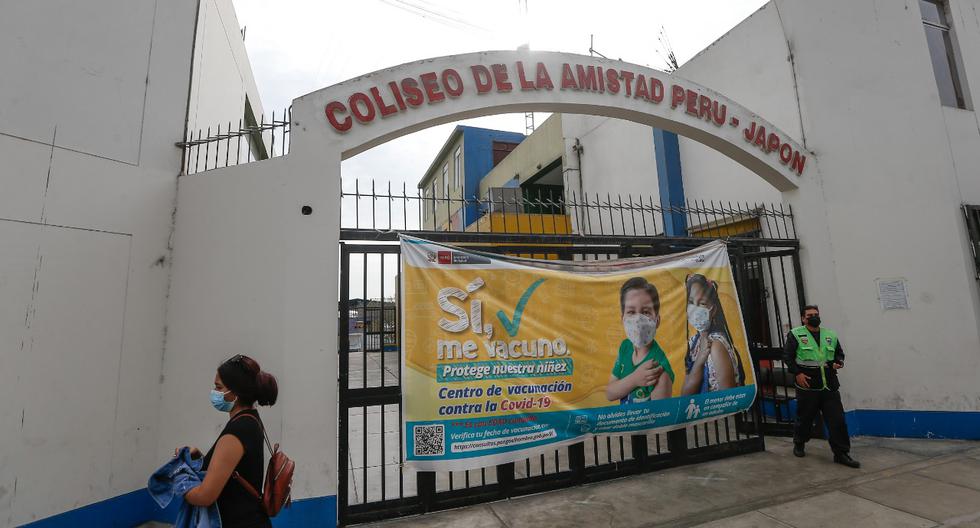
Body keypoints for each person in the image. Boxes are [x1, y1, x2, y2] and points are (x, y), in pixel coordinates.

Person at [179, 354, 279, 527]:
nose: (214, 392)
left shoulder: (238, 430)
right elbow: (230, 467)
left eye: (218, 387)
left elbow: (205, 496)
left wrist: (179, 478)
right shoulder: (250, 420)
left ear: (234, 393)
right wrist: (197, 456)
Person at [783, 305, 860, 468]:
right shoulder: (796, 334)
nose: (813, 317)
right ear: (803, 319)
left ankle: (841, 453)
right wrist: (797, 373)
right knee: (805, 418)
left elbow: (839, 353)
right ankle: (799, 443)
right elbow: (788, 357)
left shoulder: (830, 334)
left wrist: (838, 362)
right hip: (807, 384)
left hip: (829, 385)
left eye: (816, 314)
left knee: (837, 421)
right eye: (809, 315)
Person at [606, 277, 675, 403]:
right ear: (623, 319)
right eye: (631, 312)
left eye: (646, 312)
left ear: (657, 320)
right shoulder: (625, 347)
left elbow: (660, 418)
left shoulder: (659, 370)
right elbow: (610, 393)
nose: (638, 320)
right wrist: (635, 379)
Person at [682, 274, 744, 395]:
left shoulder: (716, 345)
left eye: (702, 303)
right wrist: (700, 359)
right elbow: (685, 393)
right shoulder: (693, 342)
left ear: (713, 310)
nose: (695, 309)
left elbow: (727, 398)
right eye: (691, 302)